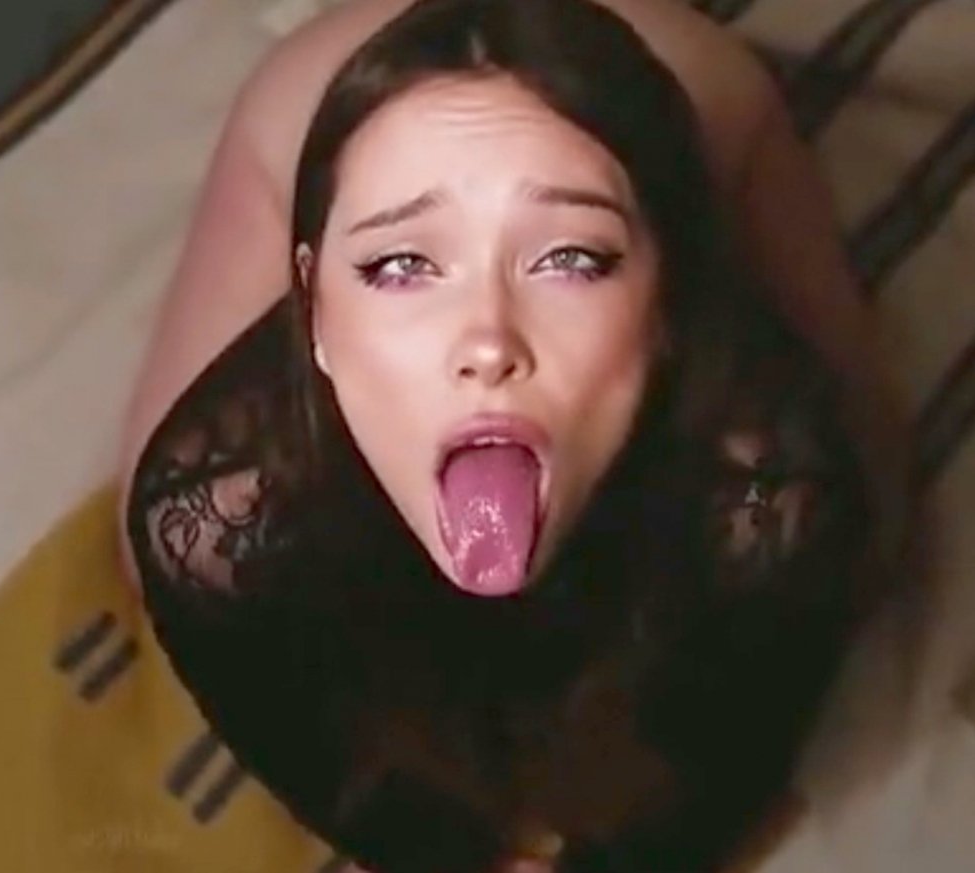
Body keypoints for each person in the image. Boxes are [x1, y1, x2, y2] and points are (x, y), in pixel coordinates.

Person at [121, 0, 910, 871]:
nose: (488, 341)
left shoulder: (780, 489)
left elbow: (740, 752)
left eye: (570, 258)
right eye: (402, 264)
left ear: (667, 302)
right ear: (311, 309)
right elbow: (328, 770)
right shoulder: (212, 519)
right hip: (303, 101)